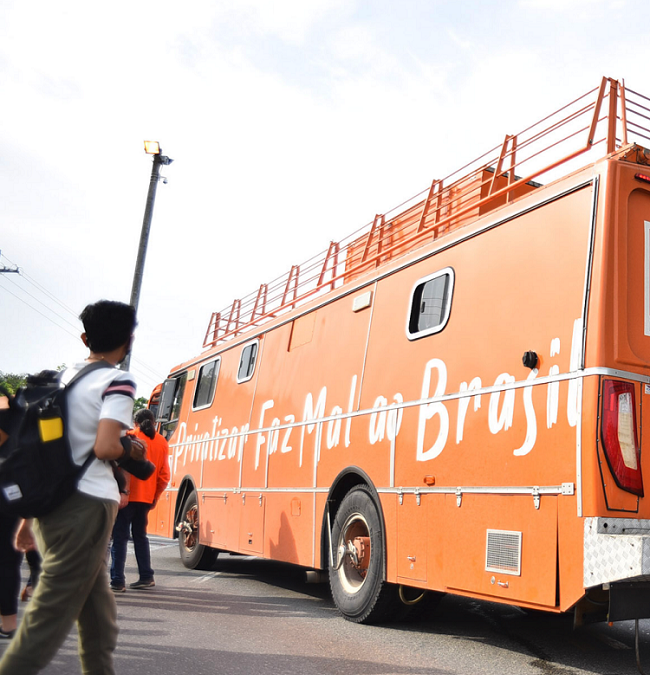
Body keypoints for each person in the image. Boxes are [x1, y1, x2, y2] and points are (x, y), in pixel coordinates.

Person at [0, 299, 145, 675]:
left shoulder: (60, 379)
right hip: (87, 507)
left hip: (54, 505)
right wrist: (131, 447)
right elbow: (106, 446)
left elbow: (46, 454)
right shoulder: (118, 380)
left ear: (85, 337)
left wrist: (29, 519)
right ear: (129, 340)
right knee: (46, 620)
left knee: (99, 618)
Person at [110, 408, 170, 591]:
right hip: (145, 497)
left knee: (119, 538)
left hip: (125, 496)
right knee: (140, 537)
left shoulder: (130, 436)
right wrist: (154, 497)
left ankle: (117, 580)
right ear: (153, 422)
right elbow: (164, 476)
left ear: (135, 423)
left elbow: (120, 467)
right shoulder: (162, 442)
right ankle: (146, 576)